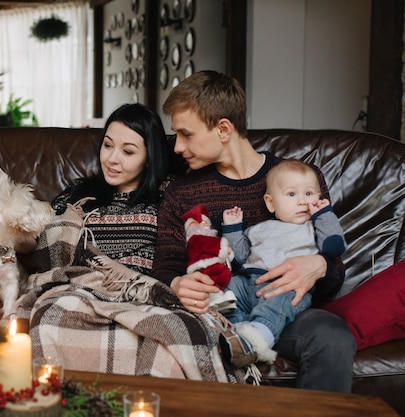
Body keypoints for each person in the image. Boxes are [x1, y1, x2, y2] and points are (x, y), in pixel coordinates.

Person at [152, 70, 356, 392]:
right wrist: (177, 284)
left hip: (286, 311)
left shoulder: (298, 180)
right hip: (219, 311)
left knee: (332, 336)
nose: (177, 147)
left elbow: (334, 268)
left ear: (223, 129)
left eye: (185, 134)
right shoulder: (182, 193)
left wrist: (319, 266)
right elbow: (163, 270)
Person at [0, 102, 171, 275]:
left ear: (150, 158)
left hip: (134, 292)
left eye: (128, 152)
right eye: (107, 145)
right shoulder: (79, 193)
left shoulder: (168, 197)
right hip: (73, 288)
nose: (112, 159)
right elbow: (36, 239)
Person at [220, 158, 347, 365]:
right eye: (291, 194)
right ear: (271, 203)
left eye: (309, 194)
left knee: (277, 304)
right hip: (249, 281)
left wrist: (324, 214)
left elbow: (334, 247)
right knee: (228, 289)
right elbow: (240, 257)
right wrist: (233, 228)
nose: (302, 202)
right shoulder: (258, 229)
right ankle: (238, 328)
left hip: (287, 285)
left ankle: (257, 339)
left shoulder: (314, 228)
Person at [182, 204, 236, 312]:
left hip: (211, 263)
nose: (204, 226)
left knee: (223, 276)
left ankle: (219, 297)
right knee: (215, 277)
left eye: (205, 223)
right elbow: (213, 245)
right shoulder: (196, 239)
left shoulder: (206, 237)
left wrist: (227, 256)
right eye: (197, 223)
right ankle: (214, 298)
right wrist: (226, 249)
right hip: (203, 266)